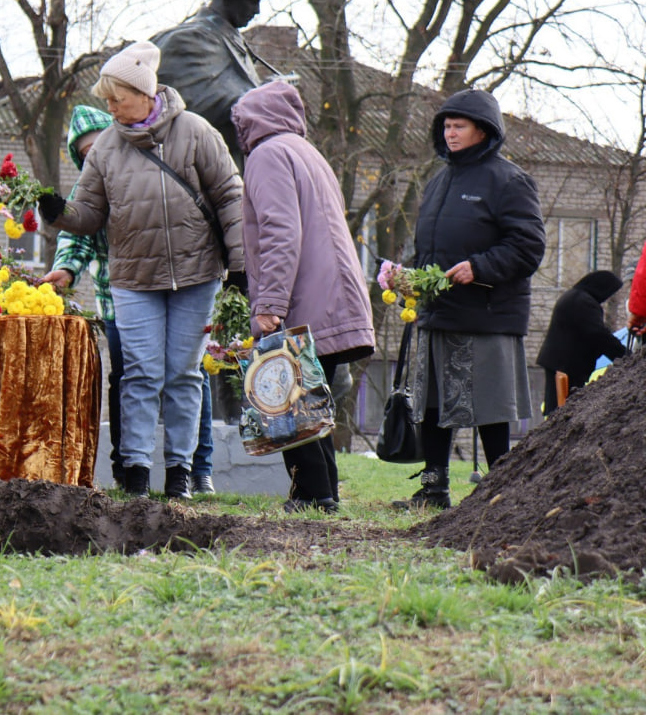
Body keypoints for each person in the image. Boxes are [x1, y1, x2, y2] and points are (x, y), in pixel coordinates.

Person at [38, 41, 245, 499]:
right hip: (133, 280)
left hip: (196, 275)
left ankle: (180, 474)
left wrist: (241, 264)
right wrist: (59, 213)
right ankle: (134, 471)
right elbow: (88, 213)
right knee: (140, 374)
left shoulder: (195, 131)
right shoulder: (107, 148)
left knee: (184, 374)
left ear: (145, 92)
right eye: (106, 100)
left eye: (118, 99)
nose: (110, 108)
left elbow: (231, 197)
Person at [394, 89, 546, 510]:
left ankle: (501, 494)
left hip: (486, 316)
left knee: (490, 407)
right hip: (438, 313)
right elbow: (430, 247)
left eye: (459, 126)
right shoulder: (440, 180)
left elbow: (529, 247)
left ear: (484, 130)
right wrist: (408, 273)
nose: (450, 133)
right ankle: (433, 489)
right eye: (446, 126)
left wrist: (479, 266)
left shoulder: (510, 180)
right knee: (433, 405)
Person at [231, 80, 375, 513]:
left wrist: (270, 305)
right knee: (314, 401)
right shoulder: (306, 152)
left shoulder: (266, 155)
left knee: (290, 400)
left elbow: (280, 232)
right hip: (334, 294)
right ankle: (323, 495)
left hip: (303, 300)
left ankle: (313, 497)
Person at [40, 106, 123, 486]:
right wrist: (68, 268)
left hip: (164, 294)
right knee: (123, 381)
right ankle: (127, 469)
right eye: (86, 154)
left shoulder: (142, 176)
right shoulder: (85, 190)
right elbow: (76, 235)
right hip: (116, 302)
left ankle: (196, 470)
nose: (95, 157)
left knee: (185, 379)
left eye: (101, 147)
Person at [150, 0, 270, 171]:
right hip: (200, 177)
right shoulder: (189, 39)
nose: (257, 10)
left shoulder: (231, 40)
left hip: (234, 174)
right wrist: (264, 100)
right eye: (253, 0)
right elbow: (194, 109)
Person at [537, 271, 625, 415]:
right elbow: (598, 335)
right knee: (562, 411)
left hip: (559, 363)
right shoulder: (583, 301)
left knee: (556, 408)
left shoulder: (574, 297)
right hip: (567, 367)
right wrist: (624, 356)